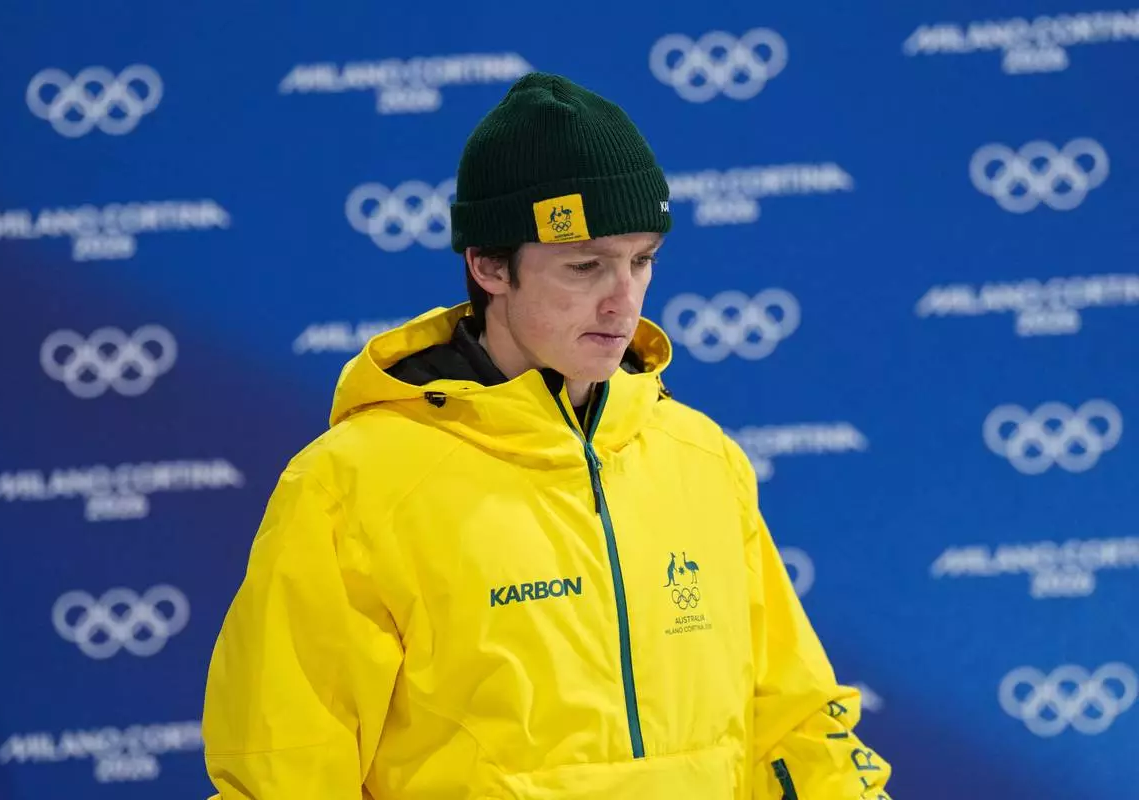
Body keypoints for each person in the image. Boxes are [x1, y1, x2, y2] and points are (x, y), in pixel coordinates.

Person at [201, 71, 893, 799]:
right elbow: (285, 769)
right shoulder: (353, 485)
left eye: (641, 260)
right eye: (585, 264)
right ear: (490, 265)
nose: (622, 300)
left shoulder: (700, 458)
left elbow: (789, 720)